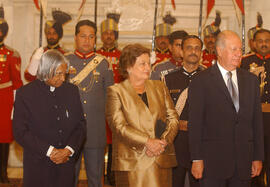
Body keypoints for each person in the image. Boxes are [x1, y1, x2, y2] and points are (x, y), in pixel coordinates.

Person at [189, 30, 264, 187]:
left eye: (240, 49)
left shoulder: (251, 81)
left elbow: (257, 121)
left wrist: (257, 156)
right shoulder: (201, 81)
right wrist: (196, 159)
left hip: (244, 162)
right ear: (219, 51)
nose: (239, 54)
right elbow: (195, 124)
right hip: (212, 163)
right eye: (233, 49)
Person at [105, 43, 179, 187]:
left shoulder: (160, 87)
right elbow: (119, 126)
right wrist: (147, 142)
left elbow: (173, 118)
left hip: (161, 158)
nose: (148, 68)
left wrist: (163, 142)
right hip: (133, 162)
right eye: (142, 64)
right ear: (128, 67)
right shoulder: (116, 91)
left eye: (149, 63)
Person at [13, 50, 86, 187]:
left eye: (65, 74)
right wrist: (50, 151)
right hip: (37, 166)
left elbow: (80, 125)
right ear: (46, 70)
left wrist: (68, 150)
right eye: (59, 74)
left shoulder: (71, 91)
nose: (63, 79)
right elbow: (20, 132)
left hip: (65, 164)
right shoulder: (25, 93)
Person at [66, 19, 114, 187]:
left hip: (95, 131)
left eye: (91, 37)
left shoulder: (103, 64)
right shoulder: (65, 62)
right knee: (68, 179)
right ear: (76, 38)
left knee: (96, 180)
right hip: (69, 131)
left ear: (95, 39)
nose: (87, 40)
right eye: (83, 36)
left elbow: (111, 98)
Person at [164, 35, 205, 187]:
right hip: (177, 141)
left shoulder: (210, 78)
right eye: (189, 47)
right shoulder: (168, 79)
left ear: (201, 53)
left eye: (197, 48)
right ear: (181, 51)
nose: (193, 51)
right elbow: (163, 112)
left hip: (202, 142)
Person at [241, 28, 270, 187]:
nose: (264, 44)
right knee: (252, 163)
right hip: (251, 121)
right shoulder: (244, 62)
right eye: (260, 41)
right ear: (253, 43)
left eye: (267, 40)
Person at [96, 12, 122, 185]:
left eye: (111, 33)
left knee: (115, 142)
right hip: (97, 105)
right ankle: (98, 175)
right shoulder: (95, 55)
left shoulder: (122, 55)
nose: (108, 36)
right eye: (105, 33)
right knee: (99, 141)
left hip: (117, 105)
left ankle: (112, 175)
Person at [0, 7, 23, 184]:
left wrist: (17, 106)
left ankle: (2, 172)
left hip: (4, 100)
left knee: (3, 138)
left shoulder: (11, 54)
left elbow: (17, 82)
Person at [24, 9, 71, 82]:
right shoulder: (39, 52)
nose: (51, 36)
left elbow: (68, 77)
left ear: (59, 35)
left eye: (54, 33)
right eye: (49, 33)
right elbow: (28, 76)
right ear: (46, 34)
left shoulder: (65, 54)